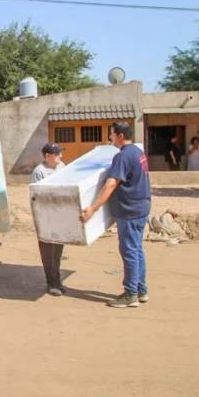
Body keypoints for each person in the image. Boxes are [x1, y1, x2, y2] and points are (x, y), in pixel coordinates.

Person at [80, 122, 151, 308]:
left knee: (129, 251)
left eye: (112, 134)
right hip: (142, 207)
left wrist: (92, 209)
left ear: (120, 136)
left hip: (129, 210)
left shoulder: (122, 156)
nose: (110, 138)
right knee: (136, 250)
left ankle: (130, 294)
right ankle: (141, 290)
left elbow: (111, 184)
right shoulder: (138, 152)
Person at [32, 143, 67, 296]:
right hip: (45, 215)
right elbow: (37, 195)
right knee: (48, 250)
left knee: (58, 249)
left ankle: (57, 280)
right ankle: (51, 283)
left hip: (60, 214)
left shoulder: (62, 166)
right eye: (57, 153)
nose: (61, 156)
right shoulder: (39, 172)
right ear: (48, 156)